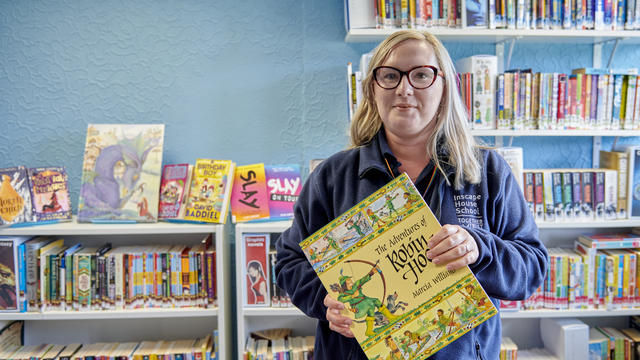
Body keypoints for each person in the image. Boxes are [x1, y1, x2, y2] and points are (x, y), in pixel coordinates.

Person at [275, 29, 548, 359]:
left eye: (421, 75)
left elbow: (532, 267)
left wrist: (479, 249)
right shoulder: (333, 177)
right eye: (389, 75)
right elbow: (290, 261)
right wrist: (324, 299)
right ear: (372, 88)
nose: (404, 88)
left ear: (444, 86)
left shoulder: (487, 172)